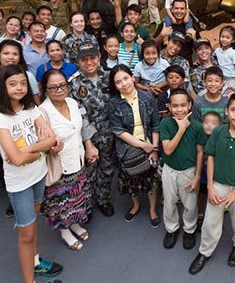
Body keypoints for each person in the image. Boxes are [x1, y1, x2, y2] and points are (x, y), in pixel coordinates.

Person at [0, 64, 64, 282]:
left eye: (23, 83)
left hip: (38, 175)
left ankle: (36, 262)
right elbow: (17, 159)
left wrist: (30, 150)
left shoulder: (31, 108)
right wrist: (37, 150)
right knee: (26, 234)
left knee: (34, 224)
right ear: (2, 87)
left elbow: (51, 140)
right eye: (12, 84)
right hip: (19, 183)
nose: (19, 88)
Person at [189, 94, 235, 275]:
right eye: (234, 110)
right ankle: (205, 252)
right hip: (218, 184)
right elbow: (210, 157)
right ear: (227, 112)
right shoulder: (218, 132)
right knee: (211, 220)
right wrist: (211, 186)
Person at [0, 40, 41, 217]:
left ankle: (35, 199)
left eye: (15, 53)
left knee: (33, 166)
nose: (10, 57)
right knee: (10, 167)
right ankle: (16, 202)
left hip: (27, 131)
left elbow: (35, 103)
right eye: (6, 53)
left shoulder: (27, 76)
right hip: (2, 134)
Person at [39, 69, 95, 251]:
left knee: (77, 196)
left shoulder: (72, 102)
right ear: (46, 90)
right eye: (53, 87)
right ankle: (65, 231)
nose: (59, 90)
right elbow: (40, 143)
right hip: (59, 165)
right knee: (61, 202)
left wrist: (89, 146)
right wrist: (51, 147)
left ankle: (75, 224)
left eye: (62, 85)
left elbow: (82, 126)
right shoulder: (42, 112)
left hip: (77, 159)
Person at [108, 65, 162, 227]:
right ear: (114, 86)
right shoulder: (114, 103)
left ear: (133, 77)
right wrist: (142, 146)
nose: (124, 84)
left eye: (125, 78)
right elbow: (118, 131)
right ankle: (136, 205)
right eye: (118, 82)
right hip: (127, 148)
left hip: (149, 144)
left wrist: (153, 149)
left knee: (151, 180)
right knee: (131, 180)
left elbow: (155, 125)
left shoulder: (147, 97)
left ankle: (152, 209)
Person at [68, 42, 116, 217]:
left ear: (99, 57)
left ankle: (103, 199)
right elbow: (78, 115)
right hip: (87, 137)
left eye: (92, 58)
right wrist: (88, 143)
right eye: (84, 59)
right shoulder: (73, 84)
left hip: (110, 133)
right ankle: (86, 204)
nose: (89, 62)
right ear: (78, 61)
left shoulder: (110, 77)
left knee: (107, 168)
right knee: (88, 172)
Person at [160, 89, 207, 250]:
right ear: (169, 107)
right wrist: (181, 128)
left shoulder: (197, 127)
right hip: (169, 170)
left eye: (182, 105)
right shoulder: (165, 124)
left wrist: (197, 176)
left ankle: (189, 230)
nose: (179, 109)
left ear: (189, 105)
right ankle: (171, 229)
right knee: (169, 202)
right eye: (175, 106)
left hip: (189, 171)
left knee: (190, 204)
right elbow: (167, 150)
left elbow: (200, 152)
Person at [214, 25, 235, 96]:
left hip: (231, 81)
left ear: (233, 40)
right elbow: (209, 57)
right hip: (221, 80)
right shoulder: (217, 51)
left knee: (228, 100)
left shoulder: (234, 53)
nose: (224, 39)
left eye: (228, 37)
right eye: (222, 37)